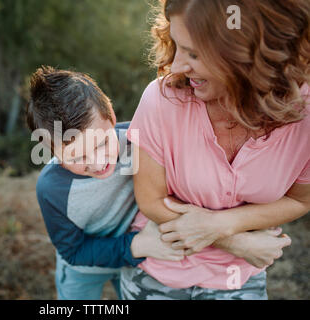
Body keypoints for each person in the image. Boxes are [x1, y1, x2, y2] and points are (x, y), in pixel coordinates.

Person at [26, 66, 293, 300]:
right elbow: (74, 251)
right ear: (51, 151)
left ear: (112, 117)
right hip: (90, 266)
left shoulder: (139, 140)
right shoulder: (52, 190)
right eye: (77, 156)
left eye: (102, 143)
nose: (97, 162)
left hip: (142, 256)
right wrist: (136, 246)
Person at [121, 0, 309, 300]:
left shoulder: (305, 117)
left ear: (249, 57)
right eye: (178, 45)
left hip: (239, 278)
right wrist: (234, 242)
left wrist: (222, 224)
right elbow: (151, 200)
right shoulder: (161, 99)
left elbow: (300, 200)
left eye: (194, 53)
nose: (178, 66)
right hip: (162, 264)